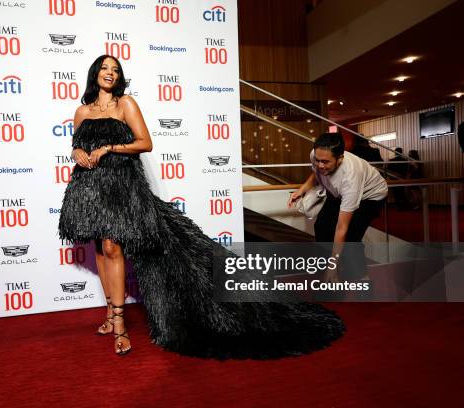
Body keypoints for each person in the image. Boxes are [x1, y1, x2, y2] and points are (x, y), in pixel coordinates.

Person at [58, 55, 344, 359]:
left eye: (115, 70)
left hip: (122, 186)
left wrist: (110, 147)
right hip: (89, 188)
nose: (110, 73)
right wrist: (77, 152)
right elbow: (77, 145)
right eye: (105, 68)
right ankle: (108, 312)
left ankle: (119, 324)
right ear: (95, 73)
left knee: (113, 248)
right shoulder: (82, 111)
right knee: (101, 251)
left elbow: (145, 143)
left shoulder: (125, 104)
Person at [288, 133, 388, 281]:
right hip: (338, 194)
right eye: (317, 160)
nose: (320, 165)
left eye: (325, 162)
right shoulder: (317, 154)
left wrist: (333, 266)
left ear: (340, 159)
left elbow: (342, 228)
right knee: (322, 226)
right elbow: (316, 172)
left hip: (371, 197)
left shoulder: (351, 176)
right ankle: (329, 273)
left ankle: (362, 279)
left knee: (350, 239)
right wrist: (302, 189)